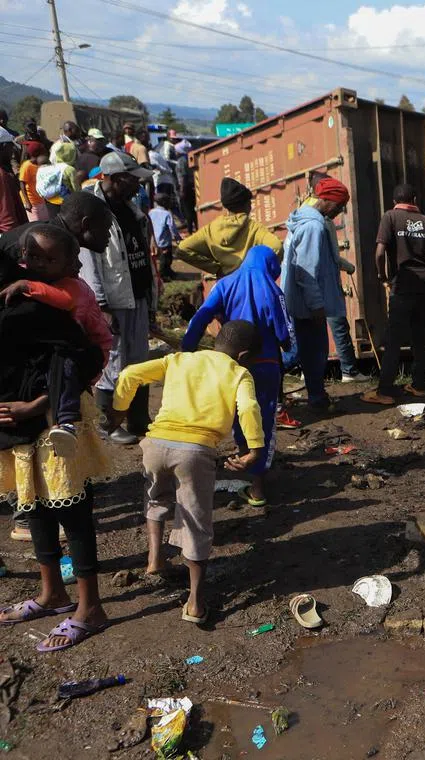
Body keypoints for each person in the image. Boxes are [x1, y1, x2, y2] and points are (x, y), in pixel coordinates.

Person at [0, 233, 111, 652]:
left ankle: (91, 608)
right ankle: (52, 594)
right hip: (15, 426)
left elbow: (85, 359)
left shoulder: (40, 305)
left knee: (72, 510)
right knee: (31, 507)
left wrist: (35, 406)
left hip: (50, 423)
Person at [112, 320, 264, 625]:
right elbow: (248, 408)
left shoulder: (181, 358)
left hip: (155, 444)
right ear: (244, 355)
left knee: (156, 498)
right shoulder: (239, 373)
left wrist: (118, 413)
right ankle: (195, 602)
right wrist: (254, 449)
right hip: (194, 451)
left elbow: (129, 373)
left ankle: (155, 560)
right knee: (194, 520)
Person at [183, 246, 291, 506]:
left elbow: (201, 317)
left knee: (238, 417)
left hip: (230, 365)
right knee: (262, 420)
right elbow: (286, 335)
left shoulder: (224, 285)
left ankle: (240, 460)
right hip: (265, 367)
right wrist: (286, 355)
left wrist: (187, 348)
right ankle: (257, 486)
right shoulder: (274, 291)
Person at [1, 224, 113, 454]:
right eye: (33, 257)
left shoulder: (67, 289)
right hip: (22, 404)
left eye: (50, 260)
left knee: (68, 371)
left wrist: (26, 285)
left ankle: (67, 421)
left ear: (69, 265)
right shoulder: (17, 275)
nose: (40, 264)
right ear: (23, 254)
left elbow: (63, 303)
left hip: (88, 352)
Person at [81, 152, 156, 444]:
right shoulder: (94, 211)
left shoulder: (131, 210)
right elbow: (90, 263)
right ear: (112, 178)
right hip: (113, 302)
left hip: (136, 296)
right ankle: (109, 424)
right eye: (132, 179)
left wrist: (150, 299)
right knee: (113, 363)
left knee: (138, 361)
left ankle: (139, 420)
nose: (138, 185)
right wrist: (101, 306)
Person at [281, 177, 349, 410]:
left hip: (300, 301)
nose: (340, 210)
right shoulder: (314, 227)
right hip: (307, 305)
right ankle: (313, 398)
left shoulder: (304, 220)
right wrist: (317, 305)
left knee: (309, 352)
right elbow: (307, 272)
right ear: (328, 201)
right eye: (340, 205)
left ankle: (316, 397)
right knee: (310, 352)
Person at [366, 183, 425, 405]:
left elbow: (379, 252)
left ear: (395, 201)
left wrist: (382, 275)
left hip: (402, 284)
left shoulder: (390, 217)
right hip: (424, 286)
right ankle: (419, 385)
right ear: (414, 198)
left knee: (394, 339)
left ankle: (384, 390)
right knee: (420, 337)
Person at [176, 177, 281, 276]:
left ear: (226, 207)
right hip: (251, 285)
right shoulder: (254, 228)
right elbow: (277, 247)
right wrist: (263, 272)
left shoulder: (210, 230)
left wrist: (215, 269)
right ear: (247, 205)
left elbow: (182, 250)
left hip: (227, 287)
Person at [0, 131, 28, 232]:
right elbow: (7, 222)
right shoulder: (1, 175)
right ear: (3, 147)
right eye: (10, 147)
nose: (12, 151)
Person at [149, 194, 180, 279]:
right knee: (166, 259)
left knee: (160, 258)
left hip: (154, 240)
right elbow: (172, 227)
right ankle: (163, 275)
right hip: (164, 241)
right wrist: (177, 238)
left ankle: (168, 271)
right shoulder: (167, 214)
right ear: (164, 202)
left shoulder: (151, 212)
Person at [18, 141, 48, 222]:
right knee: (37, 224)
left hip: (40, 199)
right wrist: (27, 202)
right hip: (32, 202)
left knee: (46, 221)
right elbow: (22, 184)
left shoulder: (39, 164)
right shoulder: (26, 166)